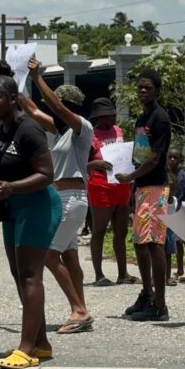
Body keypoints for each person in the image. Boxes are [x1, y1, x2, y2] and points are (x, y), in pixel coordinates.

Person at [0, 75, 61, 369]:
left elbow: (46, 174)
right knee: (19, 273)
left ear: (13, 99)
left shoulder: (29, 129)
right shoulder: (2, 129)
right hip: (13, 207)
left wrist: (13, 188)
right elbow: (4, 165)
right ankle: (40, 343)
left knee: (30, 275)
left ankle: (26, 349)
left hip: (37, 204)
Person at [27, 56, 95, 334]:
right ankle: (79, 308)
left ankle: (79, 310)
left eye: (61, 106)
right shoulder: (59, 133)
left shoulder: (82, 129)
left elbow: (52, 105)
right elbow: (32, 110)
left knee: (49, 256)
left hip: (73, 200)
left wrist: (37, 77)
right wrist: (16, 82)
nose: (55, 110)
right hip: (62, 200)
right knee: (69, 257)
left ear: (70, 108)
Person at [116, 68, 172, 321]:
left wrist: (131, 177)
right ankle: (146, 293)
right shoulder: (141, 119)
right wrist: (132, 187)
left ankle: (159, 304)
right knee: (139, 243)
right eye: (139, 87)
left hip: (156, 187)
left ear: (157, 90)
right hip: (141, 188)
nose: (142, 91)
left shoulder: (160, 118)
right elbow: (138, 155)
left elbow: (154, 158)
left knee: (154, 243)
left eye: (147, 87)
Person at [84, 97, 138, 286]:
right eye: (108, 116)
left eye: (113, 114)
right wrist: (94, 163)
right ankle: (99, 275)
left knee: (120, 231)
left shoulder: (118, 131)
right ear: (99, 117)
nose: (112, 118)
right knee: (99, 230)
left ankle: (122, 274)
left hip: (121, 183)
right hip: (100, 184)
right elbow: (82, 163)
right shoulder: (90, 136)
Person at [165, 148, 185, 286]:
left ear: (180, 160)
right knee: (176, 242)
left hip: (183, 210)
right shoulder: (165, 175)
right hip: (170, 212)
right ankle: (179, 269)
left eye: (175, 157)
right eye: (170, 157)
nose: (172, 160)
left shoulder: (184, 175)